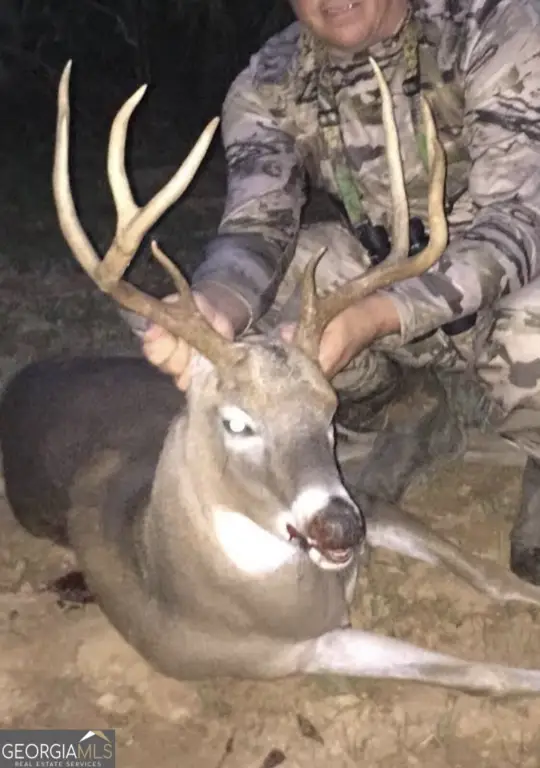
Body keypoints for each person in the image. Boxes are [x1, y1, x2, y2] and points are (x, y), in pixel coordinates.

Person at [141, 0, 540, 585]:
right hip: (386, 271)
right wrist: (214, 305)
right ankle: (399, 406)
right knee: (262, 332)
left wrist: (377, 316)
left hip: (511, 273)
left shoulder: (497, 25)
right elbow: (257, 227)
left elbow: (520, 220)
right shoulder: (269, 81)